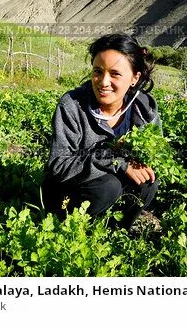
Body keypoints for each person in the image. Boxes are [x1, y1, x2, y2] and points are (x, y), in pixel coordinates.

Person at [41, 33, 161, 230]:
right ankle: (71, 229)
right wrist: (116, 162)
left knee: (148, 182)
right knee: (107, 186)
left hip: (111, 184)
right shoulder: (72, 105)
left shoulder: (144, 108)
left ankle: (117, 231)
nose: (103, 82)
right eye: (98, 71)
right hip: (66, 189)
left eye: (115, 74)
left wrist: (140, 161)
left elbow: (156, 154)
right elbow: (58, 165)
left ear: (134, 78)